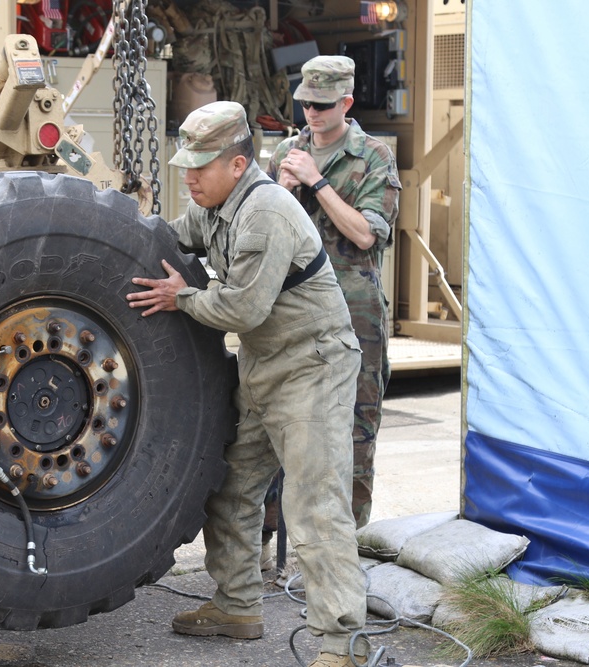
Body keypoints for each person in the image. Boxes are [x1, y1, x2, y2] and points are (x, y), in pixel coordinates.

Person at [127, 100, 369, 667]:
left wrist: (180, 297)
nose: (188, 176)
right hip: (264, 367)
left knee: (315, 507)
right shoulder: (214, 208)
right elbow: (168, 239)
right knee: (229, 487)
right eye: (185, 163)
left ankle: (343, 644)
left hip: (312, 367)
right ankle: (237, 605)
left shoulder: (265, 211)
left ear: (237, 165)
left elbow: (244, 309)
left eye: (201, 166)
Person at [267, 55, 401, 533]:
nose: (312, 114)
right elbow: (263, 235)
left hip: (352, 313)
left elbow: (366, 234)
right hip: (291, 312)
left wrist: (317, 182)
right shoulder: (285, 153)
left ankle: (349, 545)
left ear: (346, 102)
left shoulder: (373, 157)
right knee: (277, 428)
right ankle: (273, 539)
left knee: (353, 429)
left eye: (323, 105)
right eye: (306, 104)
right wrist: (279, 189)